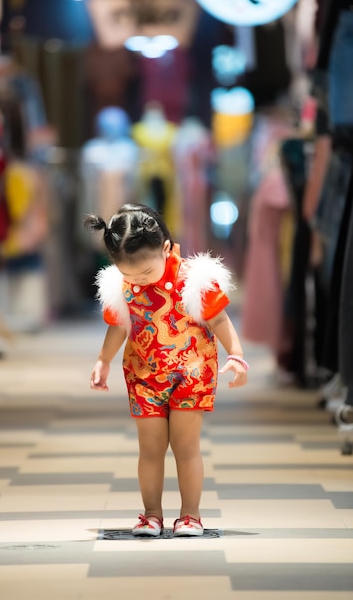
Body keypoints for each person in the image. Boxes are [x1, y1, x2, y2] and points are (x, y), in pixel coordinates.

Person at [84, 204, 248, 537]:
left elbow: (218, 319)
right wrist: (104, 360)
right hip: (143, 375)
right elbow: (118, 325)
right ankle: (151, 514)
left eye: (145, 274)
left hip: (192, 373)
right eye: (128, 274)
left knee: (186, 446)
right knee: (151, 448)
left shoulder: (193, 279)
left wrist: (237, 354)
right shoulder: (123, 285)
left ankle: (190, 515)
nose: (136, 281)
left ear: (167, 249)